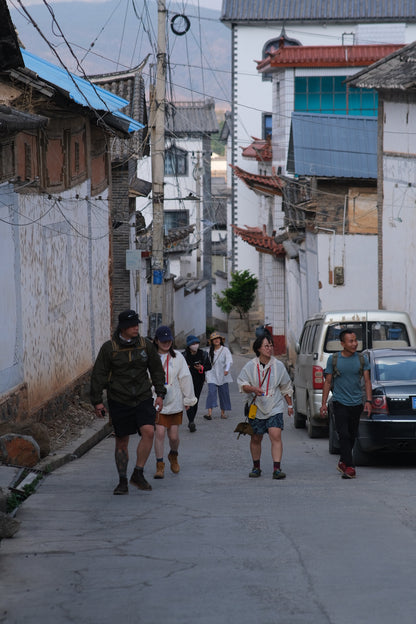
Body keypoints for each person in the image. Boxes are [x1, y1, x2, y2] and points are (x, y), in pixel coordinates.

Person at [90, 310, 166, 495]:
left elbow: (156, 370)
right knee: (122, 441)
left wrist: (160, 393)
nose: (136, 328)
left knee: (148, 431)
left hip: (142, 397)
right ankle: (122, 480)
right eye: (132, 325)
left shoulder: (145, 346)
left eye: (137, 325)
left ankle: (138, 473)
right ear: (123, 327)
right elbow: (98, 374)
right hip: (119, 399)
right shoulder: (109, 348)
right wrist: (97, 401)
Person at [237, 333, 294, 480]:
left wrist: (290, 405)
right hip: (256, 406)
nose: (269, 349)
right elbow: (242, 384)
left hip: (274, 405)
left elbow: (285, 386)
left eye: (271, 346)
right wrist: (253, 389)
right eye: (266, 346)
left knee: (275, 434)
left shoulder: (279, 366)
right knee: (256, 437)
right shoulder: (250, 366)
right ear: (258, 349)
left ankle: (277, 468)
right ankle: (256, 467)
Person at [320, 328, 372, 479]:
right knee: (343, 434)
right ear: (342, 343)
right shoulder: (334, 359)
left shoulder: (362, 359)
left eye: (356, 340)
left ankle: (343, 461)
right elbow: (328, 381)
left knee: (352, 435)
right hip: (339, 402)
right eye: (351, 341)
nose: (355, 343)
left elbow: (367, 381)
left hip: (356, 403)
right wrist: (324, 404)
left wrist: (368, 401)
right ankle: (350, 467)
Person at [152, 325, 197, 479]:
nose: (166, 343)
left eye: (168, 340)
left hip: (175, 401)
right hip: (157, 401)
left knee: (173, 437)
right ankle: (160, 465)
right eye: (163, 341)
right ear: (156, 341)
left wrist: (188, 398)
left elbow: (185, 377)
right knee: (159, 433)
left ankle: (173, 455)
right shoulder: (151, 357)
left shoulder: (178, 357)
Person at [182, 335, 212, 432]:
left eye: (197, 343)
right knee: (188, 400)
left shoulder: (203, 354)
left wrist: (201, 368)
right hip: (187, 381)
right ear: (189, 345)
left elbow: (209, 366)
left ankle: (192, 419)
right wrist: (187, 367)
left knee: (195, 400)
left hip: (199, 381)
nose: (195, 345)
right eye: (193, 344)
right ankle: (191, 421)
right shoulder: (184, 355)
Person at [204, 331, 233, 420]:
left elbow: (229, 360)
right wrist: (205, 375)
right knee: (211, 392)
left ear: (220, 340)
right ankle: (209, 413)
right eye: (214, 339)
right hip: (211, 374)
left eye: (218, 339)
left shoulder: (225, 350)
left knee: (224, 393)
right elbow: (206, 363)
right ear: (212, 341)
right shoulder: (208, 351)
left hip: (223, 374)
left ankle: (223, 413)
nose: (216, 340)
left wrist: (227, 370)